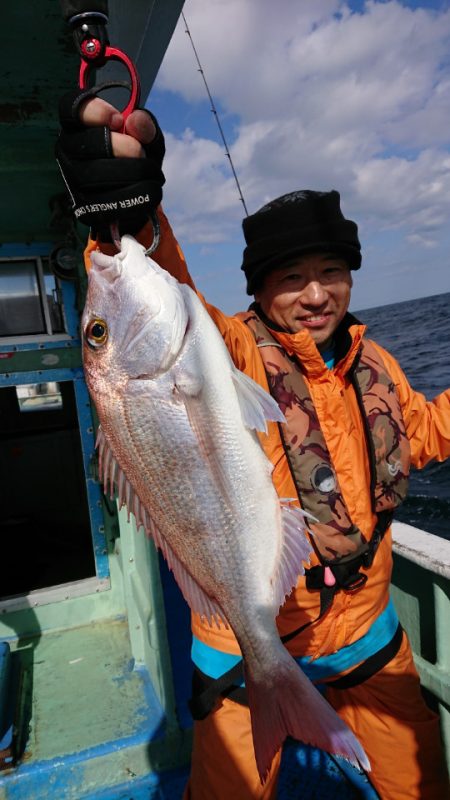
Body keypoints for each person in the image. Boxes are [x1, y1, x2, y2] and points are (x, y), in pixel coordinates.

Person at [56, 95, 450, 800]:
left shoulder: (377, 364)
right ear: (259, 290)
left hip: (366, 634)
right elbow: (163, 289)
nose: (315, 293)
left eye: (331, 271)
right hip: (242, 643)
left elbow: (422, 433)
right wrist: (128, 215)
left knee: (422, 782)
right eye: (290, 278)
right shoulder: (228, 350)